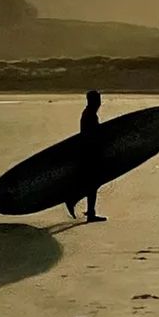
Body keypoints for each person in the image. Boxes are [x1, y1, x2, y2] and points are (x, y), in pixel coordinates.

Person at [68, 90, 106, 222]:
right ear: (93, 101)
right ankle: (89, 213)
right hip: (89, 155)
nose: (100, 103)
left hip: (87, 153)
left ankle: (88, 209)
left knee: (91, 184)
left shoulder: (88, 113)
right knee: (92, 185)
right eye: (98, 100)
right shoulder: (90, 115)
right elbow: (91, 136)